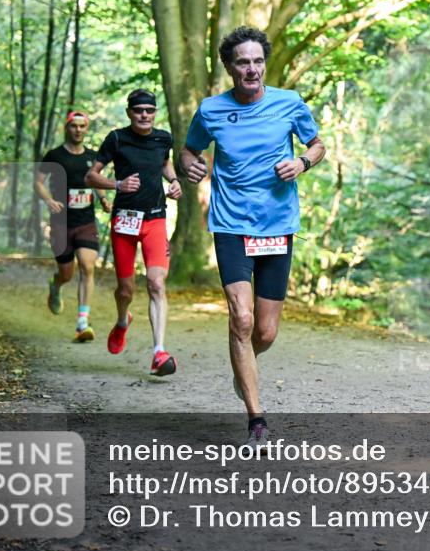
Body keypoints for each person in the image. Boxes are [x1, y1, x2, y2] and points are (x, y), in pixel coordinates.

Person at [180, 27, 325, 443]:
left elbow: (317, 144)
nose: (252, 69)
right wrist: (190, 164)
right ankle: (256, 417)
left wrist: (302, 164)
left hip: (278, 226)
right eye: (242, 62)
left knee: (264, 332)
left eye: (257, 61)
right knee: (240, 319)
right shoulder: (210, 110)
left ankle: (243, 370)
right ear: (229, 67)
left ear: (265, 64)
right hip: (231, 225)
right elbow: (189, 149)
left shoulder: (290, 103)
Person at [85, 89, 182, 376]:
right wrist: (117, 185)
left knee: (156, 283)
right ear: (129, 113)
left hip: (155, 219)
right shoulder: (117, 138)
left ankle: (158, 352)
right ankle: (122, 320)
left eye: (149, 110)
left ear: (155, 113)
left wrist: (174, 181)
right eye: (138, 110)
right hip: (125, 222)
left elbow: (164, 163)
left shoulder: (163, 139)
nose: (144, 115)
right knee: (126, 290)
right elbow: (91, 175)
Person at [35, 111, 111, 342]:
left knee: (88, 267)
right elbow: (38, 181)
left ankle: (82, 323)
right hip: (61, 223)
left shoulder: (92, 156)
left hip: (86, 222)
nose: (78, 130)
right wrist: (48, 199)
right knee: (67, 273)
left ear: (86, 129)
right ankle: (56, 285)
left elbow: (96, 179)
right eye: (74, 126)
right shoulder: (55, 155)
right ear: (67, 128)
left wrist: (103, 198)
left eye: (82, 126)